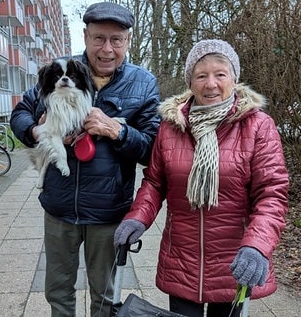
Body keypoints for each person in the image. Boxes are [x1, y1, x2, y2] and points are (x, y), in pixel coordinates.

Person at [114, 39, 289, 317]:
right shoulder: (171, 126)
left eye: (220, 74)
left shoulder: (257, 126)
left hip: (234, 261)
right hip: (181, 259)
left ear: (234, 78)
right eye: (201, 75)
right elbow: (155, 183)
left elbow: (271, 194)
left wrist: (257, 245)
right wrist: (138, 216)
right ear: (190, 82)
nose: (211, 84)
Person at [9, 1, 161, 317]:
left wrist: (117, 131)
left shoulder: (142, 83)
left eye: (116, 40)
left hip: (108, 212)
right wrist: (37, 130)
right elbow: (20, 113)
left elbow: (151, 150)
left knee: (105, 296)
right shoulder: (61, 71)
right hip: (59, 207)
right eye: (98, 38)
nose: (107, 49)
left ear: (128, 41)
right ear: (85, 36)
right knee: (58, 292)